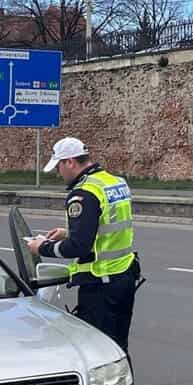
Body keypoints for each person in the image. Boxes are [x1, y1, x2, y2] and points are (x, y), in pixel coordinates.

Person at [30, 136, 140, 350]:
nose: (58, 173)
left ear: (70, 162)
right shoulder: (115, 182)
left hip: (101, 282)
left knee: (100, 349)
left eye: (59, 166)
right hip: (125, 274)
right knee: (118, 345)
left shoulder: (83, 193)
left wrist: (41, 247)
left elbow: (78, 247)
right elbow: (108, 224)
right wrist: (68, 232)